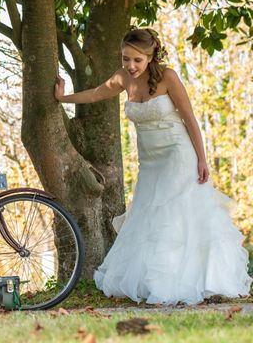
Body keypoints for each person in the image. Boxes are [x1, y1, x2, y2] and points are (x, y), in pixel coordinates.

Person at [54, 28, 252, 305]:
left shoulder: (168, 76)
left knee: (174, 215)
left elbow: (190, 119)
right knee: (148, 216)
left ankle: (185, 283)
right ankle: (157, 281)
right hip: (149, 161)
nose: (130, 66)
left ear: (150, 57)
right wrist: (63, 98)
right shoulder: (122, 78)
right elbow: (97, 93)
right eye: (125, 59)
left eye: (137, 60)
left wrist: (202, 158)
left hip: (177, 153)